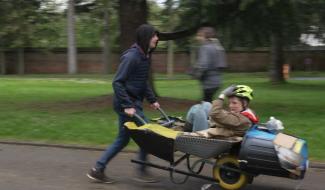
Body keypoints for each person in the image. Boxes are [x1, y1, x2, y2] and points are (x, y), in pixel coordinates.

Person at [87, 24, 160, 184]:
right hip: (126, 105)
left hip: (133, 104)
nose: (156, 38)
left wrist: (152, 99)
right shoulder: (132, 57)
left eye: (156, 36)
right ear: (146, 37)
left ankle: (97, 170)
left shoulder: (144, 56)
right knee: (147, 134)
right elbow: (117, 82)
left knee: (123, 139)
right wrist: (127, 105)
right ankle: (141, 171)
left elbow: (143, 82)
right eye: (154, 35)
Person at [186, 85, 258, 138]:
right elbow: (221, 116)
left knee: (198, 110)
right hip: (215, 129)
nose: (230, 106)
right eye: (230, 103)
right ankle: (187, 131)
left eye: (234, 103)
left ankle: (186, 135)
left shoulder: (242, 120)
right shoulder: (246, 114)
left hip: (207, 138)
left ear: (244, 103)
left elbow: (215, 114)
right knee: (206, 104)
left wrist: (222, 95)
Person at [191, 27, 227, 102]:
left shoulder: (204, 48)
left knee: (205, 104)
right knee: (208, 102)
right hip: (217, 81)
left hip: (208, 82)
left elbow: (203, 65)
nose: (197, 38)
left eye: (199, 36)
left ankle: (213, 113)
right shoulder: (217, 47)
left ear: (204, 37)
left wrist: (197, 74)